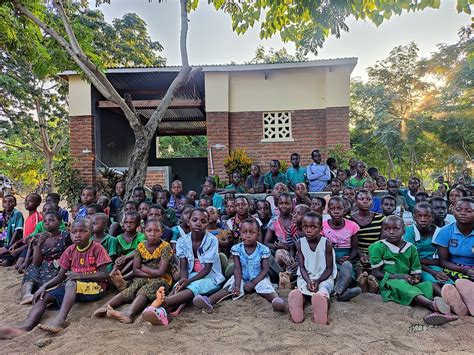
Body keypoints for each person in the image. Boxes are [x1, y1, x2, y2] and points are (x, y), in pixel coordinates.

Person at [0, 218, 111, 338]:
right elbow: (60, 276)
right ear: (70, 233)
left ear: (91, 232)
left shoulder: (97, 248)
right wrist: (44, 287)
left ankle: (59, 322)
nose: (77, 235)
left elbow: (104, 274)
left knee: (70, 282)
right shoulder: (70, 250)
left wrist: (80, 275)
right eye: (74, 232)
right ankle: (24, 328)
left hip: (95, 287)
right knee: (44, 296)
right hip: (75, 289)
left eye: (83, 231)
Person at [369, 215, 456, 325]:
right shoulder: (377, 247)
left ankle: (450, 307)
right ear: (383, 231)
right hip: (389, 282)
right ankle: (432, 305)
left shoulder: (411, 248)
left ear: (403, 231)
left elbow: (416, 268)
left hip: (408, 281)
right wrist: (398, 276)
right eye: (387, 229)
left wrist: (416, 277)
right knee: (401, 284)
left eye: (395, 229)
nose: (391, 232)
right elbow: (376, 273)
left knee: (429, 285)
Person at [193, 218, 285, 312]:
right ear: (240, 234)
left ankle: (276, 300)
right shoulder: (237, 249)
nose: (248, 235)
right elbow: (237, 268)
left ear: (258, 234)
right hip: (241, 277)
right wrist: (237, 285)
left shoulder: (263, 249)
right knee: (229, 287)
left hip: (258, 278)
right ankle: (209, 300)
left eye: (251, 232)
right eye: (244, 232)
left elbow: (265, 270)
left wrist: (253, 283)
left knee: (266, 287)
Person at [93, 219, 173, 324]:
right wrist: (146, 272)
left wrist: (143, 268)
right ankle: (105, 307)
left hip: (163, 279)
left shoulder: (165, 247)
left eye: (156, 230)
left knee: (145, 290)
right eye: (149, 230)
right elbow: (135, 270)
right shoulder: (141, 246)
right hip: (143, 276)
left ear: (162, 232)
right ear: (144, 231)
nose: (152, 233)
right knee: (130, 289)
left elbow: (161, 272)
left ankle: (129, 314)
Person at [158, 208, 224, 319]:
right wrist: (184, 279)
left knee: (193, 287)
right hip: (191, 274)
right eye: (195, 220)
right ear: (188, 221)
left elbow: (207, 269)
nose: (198, 224)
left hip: (211, 277)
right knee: (178, 286)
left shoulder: (212, 240)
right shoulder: (182, 241)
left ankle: (163, 303)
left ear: (207, 224)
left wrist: (189, 281)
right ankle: (162, 313)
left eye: (203, 221)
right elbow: (183, 265)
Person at [288, 212, 337, 325]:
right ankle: (298, 303)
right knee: (302, 288)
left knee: (323, 290)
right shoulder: (299, 243)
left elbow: (329, 269)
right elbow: (302, 267)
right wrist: (309, 281)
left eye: (313, 227)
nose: (308, 230)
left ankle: (321, 306)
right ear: (301, 227)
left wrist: (318, 281)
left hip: (323, 277)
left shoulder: (327, 244)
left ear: (320, 228)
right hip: (306, 277)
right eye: (305, 227)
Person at [20, 211, 71, 305]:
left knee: (53, 281)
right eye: (45, 221)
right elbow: (36, 263)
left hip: (58, 265)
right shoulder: (38, 237)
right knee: (30, 275)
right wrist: (39, 245)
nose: (47, 222)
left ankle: (42, 294)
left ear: (60, 222)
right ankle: (27, 295)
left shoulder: (66, 236)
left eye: (52, 220)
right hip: (41, 264)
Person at [434, 197, 474, 317]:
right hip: (455, 269)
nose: (463, 213)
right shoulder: (445, 231)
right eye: (459, 209)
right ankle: (461, 305)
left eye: (468, 210)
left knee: (461, 284)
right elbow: (443, 261)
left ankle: (466, 299)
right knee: (447, 283)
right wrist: (465, 270)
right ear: (453, 210)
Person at [403, 203, 453, 296]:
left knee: (446, 280)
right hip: (415, 267)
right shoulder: (410, 231)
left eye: (427, 216)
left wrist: (435, 267)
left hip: (436, 266)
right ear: (414, 217)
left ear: (432, 217)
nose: (423, 219)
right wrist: (432, 271)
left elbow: (442, 260)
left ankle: (453, 296)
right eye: (419, 216)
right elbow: (410, 259)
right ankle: (446, 299)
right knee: (430, 280)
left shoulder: (439, 232)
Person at [322, 197, 362, 301]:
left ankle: (339, 290)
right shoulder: (323, 225)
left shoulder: (352, 226)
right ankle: (341, 294)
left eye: (339, 208)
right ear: (328, 211)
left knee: (347, 266)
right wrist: (334, 259)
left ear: (344, 210)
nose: (336, 211)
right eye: (332, 208)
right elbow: (321, 247)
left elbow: (354, 249)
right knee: (332, 273)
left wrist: (348, 258)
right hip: (328, 257)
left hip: (346, 256)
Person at [347, 190, 385, 291]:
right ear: (356, 201)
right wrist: (362, 255)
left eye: (368, 199)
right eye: (361, 199)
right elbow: (351, 243)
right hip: (357, 254)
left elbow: (381, 241)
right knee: (358, 268)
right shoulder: (349, 219)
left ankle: (372, 283)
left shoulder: (381, 218)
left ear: (372, 202)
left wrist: (371, 255)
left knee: (375, 268)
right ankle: (362, 282)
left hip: (376, 254)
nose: (365, 201)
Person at [109, 212, 146, 290]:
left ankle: (121, 277)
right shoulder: (119, 238)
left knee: (136, 257)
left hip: (136, 260)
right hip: (124, 261)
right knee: (118, 263)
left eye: (132, 223)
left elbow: (140, 249)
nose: (128, 225)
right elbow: (119, 253)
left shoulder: (140, 236)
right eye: (126, 222)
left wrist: (125, 257)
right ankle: (111, 276)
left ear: (137, 225)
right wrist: (119, 259)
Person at [264, 192, 293, 272]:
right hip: (280, 251)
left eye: (287, 203)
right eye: (281, 203)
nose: (284, 206)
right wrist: (277, 246)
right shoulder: (274, 221)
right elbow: (266, 242)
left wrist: (287, 246)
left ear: (292, 204)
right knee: (279, 253)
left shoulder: (296, 220)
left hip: (295, 251)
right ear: (277, 205)